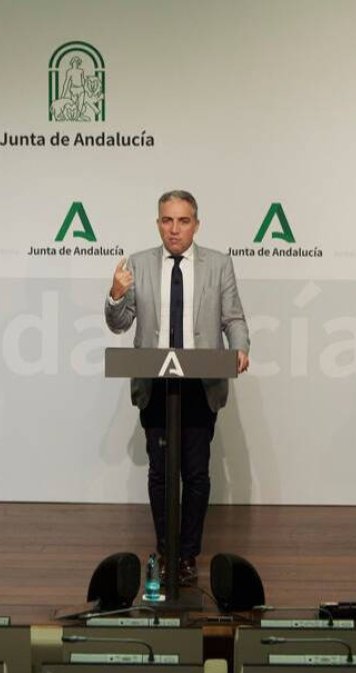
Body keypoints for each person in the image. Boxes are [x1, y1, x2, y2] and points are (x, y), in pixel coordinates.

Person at [104, 190, 250, 585]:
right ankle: (166, 552)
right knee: (160, 473)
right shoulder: (138, 264)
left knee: (196, 474)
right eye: (167, 220)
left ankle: (187, 554)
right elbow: (119, 323)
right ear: (158, 224)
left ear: (196, 225)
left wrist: (240, 348)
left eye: (183, 221)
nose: (174, 229)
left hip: (200, 384)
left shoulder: (219, 264)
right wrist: (116, 293)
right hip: (156, 384)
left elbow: (233, 317)